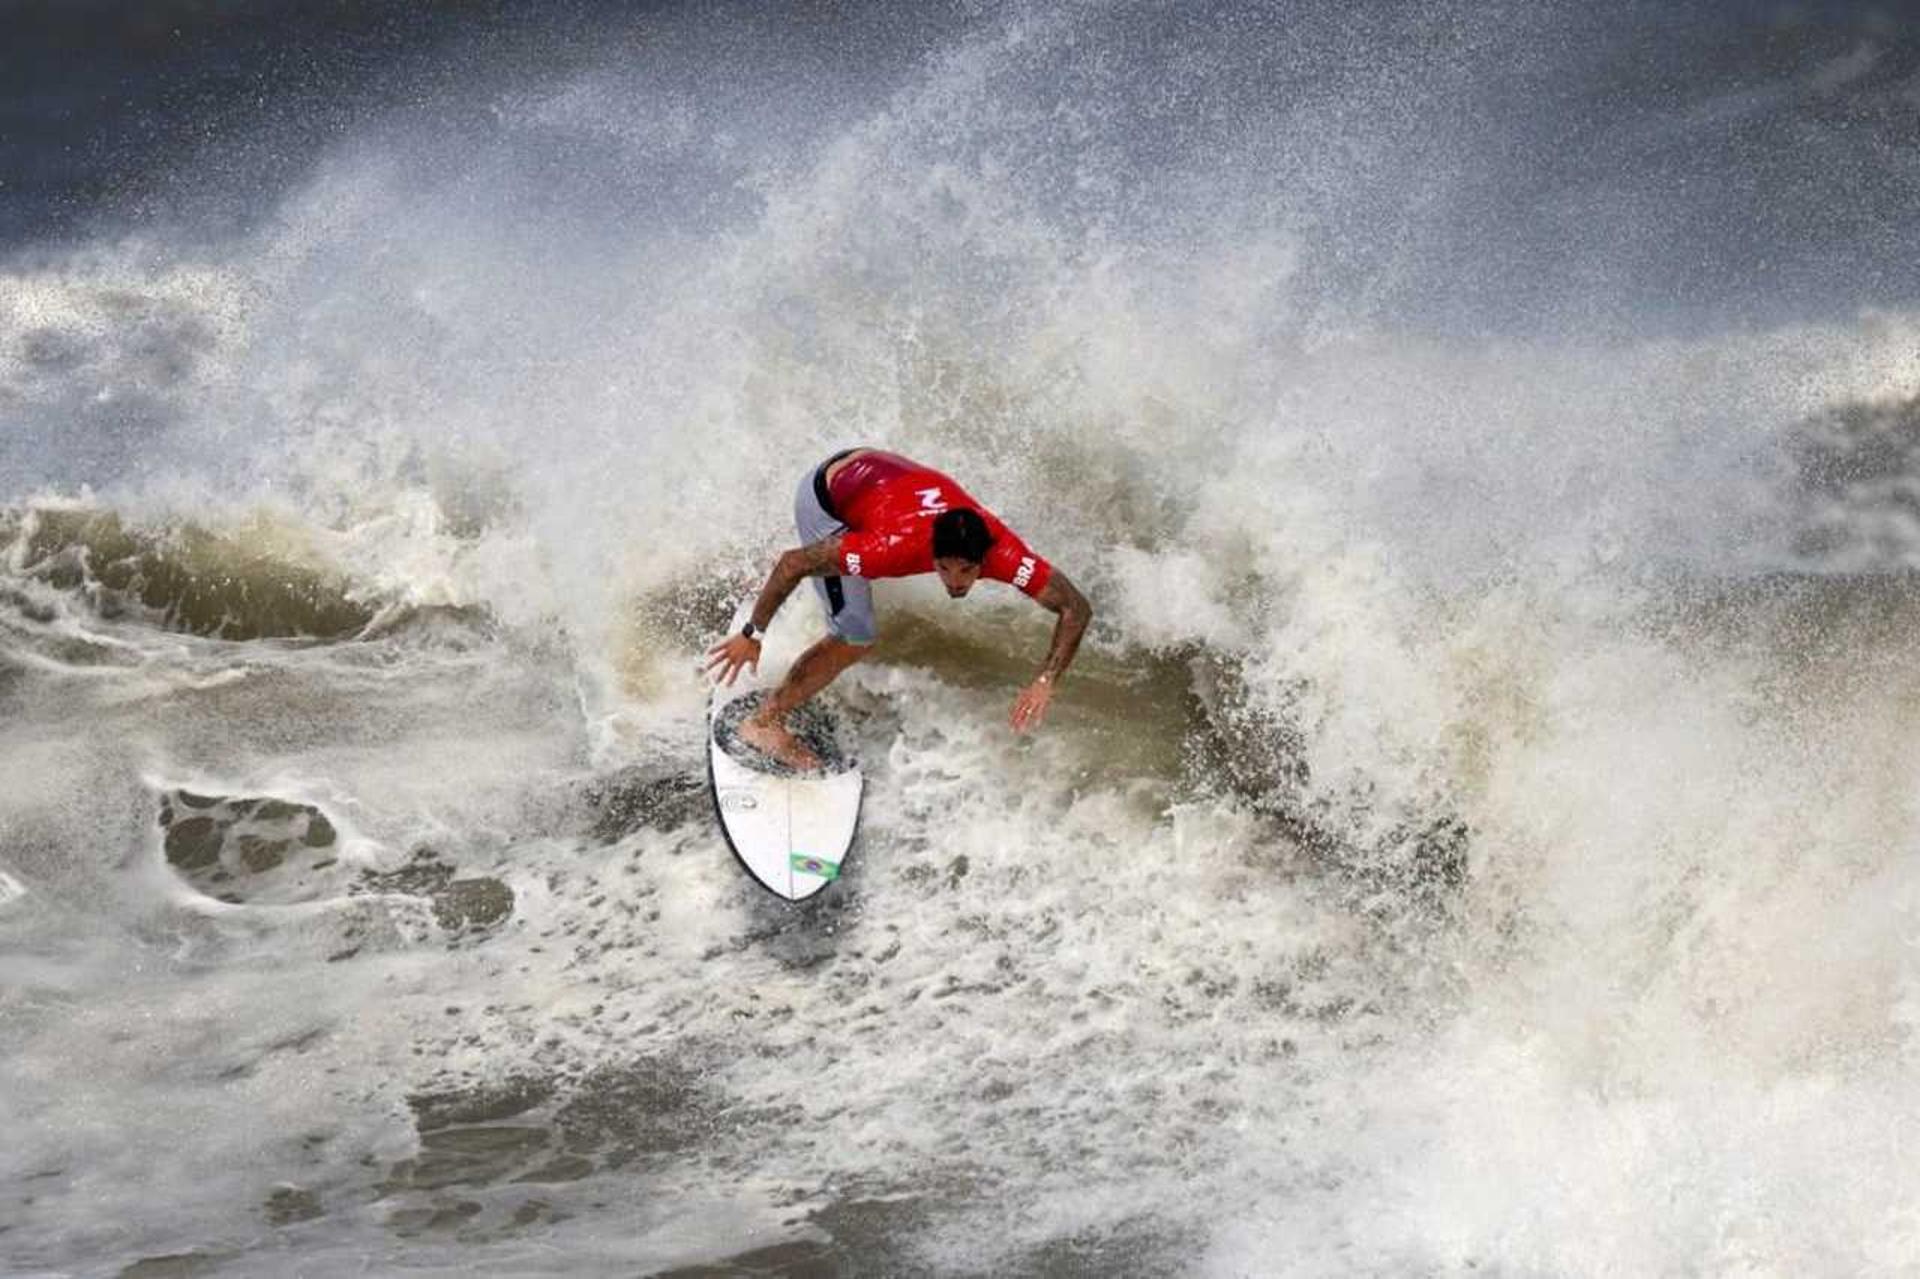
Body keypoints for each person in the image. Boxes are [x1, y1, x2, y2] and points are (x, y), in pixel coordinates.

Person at [706, 447, 1093, 769]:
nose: (955, 581)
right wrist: (751, 635)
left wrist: (1046, 680)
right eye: (943, 567)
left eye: (967, 570)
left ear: (985, 559)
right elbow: (795, 562)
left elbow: (1076, 608)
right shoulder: (891, 548)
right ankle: (763, 723)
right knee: (854, 636)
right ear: (931, 553)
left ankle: (782, 570)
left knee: (828, 568)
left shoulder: (1005, 553)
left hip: (875, 477)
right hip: (827, 497)